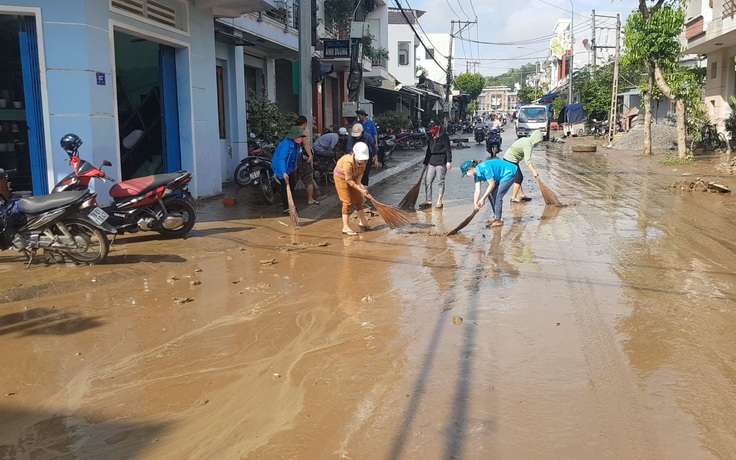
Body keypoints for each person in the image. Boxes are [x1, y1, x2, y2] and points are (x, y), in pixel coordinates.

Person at [460, 159, 518, 227]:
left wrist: (483, 199)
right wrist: (475, 204)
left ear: (470, 169)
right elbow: (477, 190)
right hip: (500, 176)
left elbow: (492, 184)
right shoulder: (476, 175)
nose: (467, 175)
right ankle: (497, 216)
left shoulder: (484, 168)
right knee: (490, 194)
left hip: (509, 172)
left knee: (498, 196)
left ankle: (498, 220)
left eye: (466, 174)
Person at [333, 141, 372, 236]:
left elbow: (361, 171)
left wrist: (359, 183)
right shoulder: (348, 162)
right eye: (360, 159)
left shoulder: (365, 160)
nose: (361, 161)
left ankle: (362, 221)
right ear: (354, 154)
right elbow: (349, 180)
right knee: (347, 201)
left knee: (359, 200)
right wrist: (361, 189)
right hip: (341, 177)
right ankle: (345, 227)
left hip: (354, 176)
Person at [271, 126, 306, 214]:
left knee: (292, 184)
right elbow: (281, 159)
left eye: (301, 137)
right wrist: (283, 172)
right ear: (293, 136)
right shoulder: (286, 145)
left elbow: (295, 156)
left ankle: (291, 204)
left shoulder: (297, 145)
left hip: (289, 167)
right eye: (298, 137)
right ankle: (287, 207)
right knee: (285, 186)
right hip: (281, 167)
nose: (300, 138)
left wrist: (295, 165)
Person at [503, 129, 542, 203]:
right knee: (519, 177)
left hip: (511, 159)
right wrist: (534, 172)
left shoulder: (526, 140)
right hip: (510, 160)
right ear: (536, 139)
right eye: (538, 141)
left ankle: (522, 195)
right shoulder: (528, 145)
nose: (538, 143)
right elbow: (527, 161)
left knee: (518, 177)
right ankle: (513, 197)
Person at [419, 123, 452, 209]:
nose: (432, 129)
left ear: (439, 127)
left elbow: (448, 150)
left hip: (441, 162)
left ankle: (439, 201)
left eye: (434, 127)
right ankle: (428, 200)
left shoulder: (444, 137)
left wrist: (449, 161)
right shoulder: (431, 137)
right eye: (431, 127)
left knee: (440, 182)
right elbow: (428, 151)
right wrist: (425, 163)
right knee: (427, 181)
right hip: (431, 161)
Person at [294, 115, 319, 205]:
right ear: (304, 123)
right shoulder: (303, 131)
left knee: (294, 177)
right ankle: (310, 199)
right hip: (302, 158)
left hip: (294, 157)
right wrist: (310, 156)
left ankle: (291, 198)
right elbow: (306, 145)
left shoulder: (293, 131)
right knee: (308, 178)